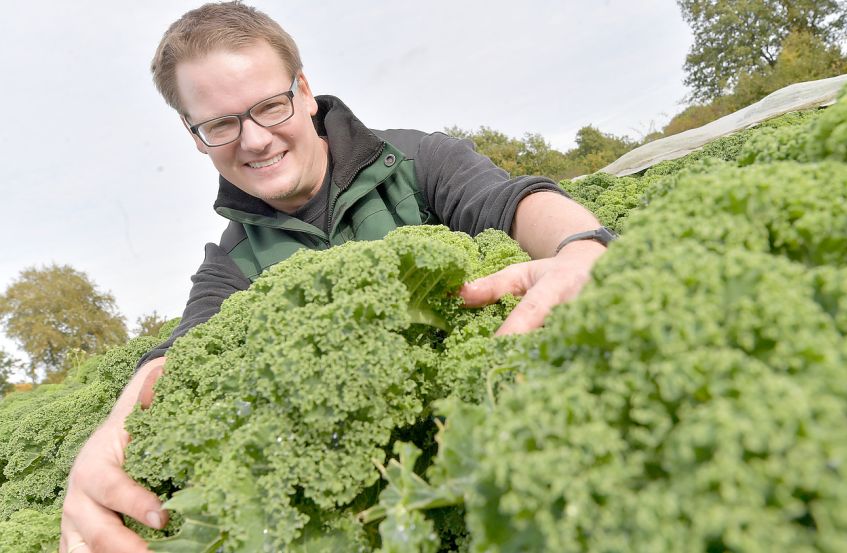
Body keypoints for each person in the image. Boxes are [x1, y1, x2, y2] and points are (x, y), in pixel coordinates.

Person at [59, 3, 612, 552]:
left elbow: (514, 201)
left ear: (303, 89)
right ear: (193, 133)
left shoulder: (416, 162)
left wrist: (582, 247)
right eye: (221, 123)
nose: (253, 140)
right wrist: (115, 429)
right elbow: (188, 349)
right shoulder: (232, 264)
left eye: (269, 106)